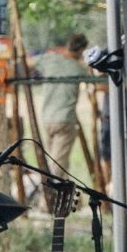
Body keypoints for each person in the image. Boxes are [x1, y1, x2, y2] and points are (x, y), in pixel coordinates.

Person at [34, 33, 93, 169]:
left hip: (47, 118)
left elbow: (29, 63)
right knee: (58, 164)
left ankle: (55, 187)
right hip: (65, 120)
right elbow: (94, 82)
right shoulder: (77, 68)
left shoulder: (50, 59)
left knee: (54, 160)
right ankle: (51, 188)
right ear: (82, 50)